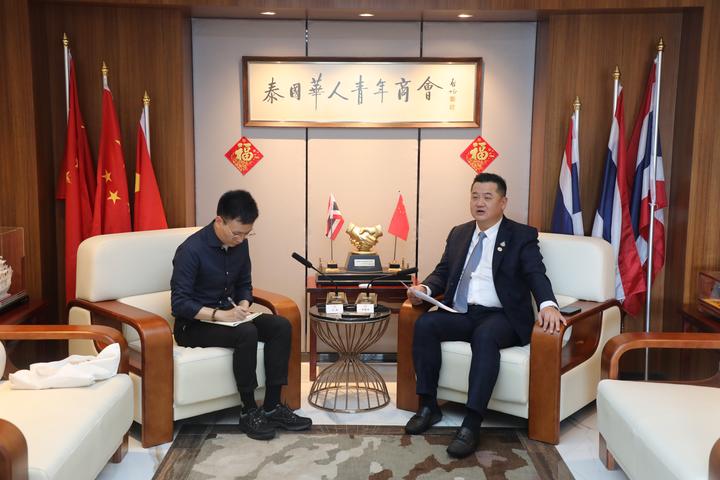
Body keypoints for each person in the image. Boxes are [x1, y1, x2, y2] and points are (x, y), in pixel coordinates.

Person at [405, 172, 565, 458]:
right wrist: (425, 289)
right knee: (426, 324)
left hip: (502, 316)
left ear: (503, 202)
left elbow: (535, 273)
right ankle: (428, 405)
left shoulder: (521, 235)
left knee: (486, 335)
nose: (480, 203)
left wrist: (548, 304)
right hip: (463, 311)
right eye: (475, 196)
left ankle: (471, 422)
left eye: (487, 197)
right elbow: (443, 271)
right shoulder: (459, 233)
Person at [171, 190, 311, 440]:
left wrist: (244, 304)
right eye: (236, 233)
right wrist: (220, 315)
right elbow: (180, 304)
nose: (241, 239)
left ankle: (272, 407)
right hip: (193, 325)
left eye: (247, 233)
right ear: (219, 221)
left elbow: (245, 283)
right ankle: (248, 411)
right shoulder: (191, 250)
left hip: (232, 316)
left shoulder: (240, 244)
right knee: (247, 332)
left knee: (281, 325)